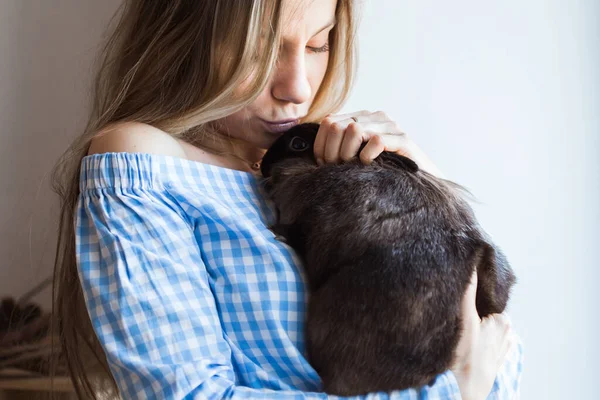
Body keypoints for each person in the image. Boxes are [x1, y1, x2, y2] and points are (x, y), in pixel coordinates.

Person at [52, 0, 523, 399]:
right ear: (187, 37)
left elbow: (497, 344)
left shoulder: (326, 165)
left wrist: (421, 180)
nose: (297, 88)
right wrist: (452, 390)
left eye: (319, 44)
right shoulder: (143, 161)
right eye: (259, 51)